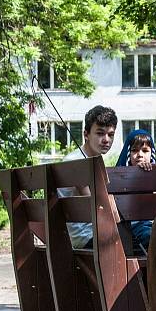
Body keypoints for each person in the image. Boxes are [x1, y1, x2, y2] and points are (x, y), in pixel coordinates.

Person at [59, 105, 118, 248]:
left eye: (110, 134)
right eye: (100, 133)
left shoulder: (92, 160)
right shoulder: (77, 162)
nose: (106, 140)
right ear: (86, 134)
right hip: (85, 237)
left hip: (94, 232)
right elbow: (100, 209)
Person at [116, 129, 156, 252]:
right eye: (134, 150)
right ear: (127, 154)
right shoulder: (119, 175)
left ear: (152, 154)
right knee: (150, 236)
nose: (140, 155)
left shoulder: (155, 174)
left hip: (149, 224)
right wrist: (136, 174)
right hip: (131, 227)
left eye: (145, 151)